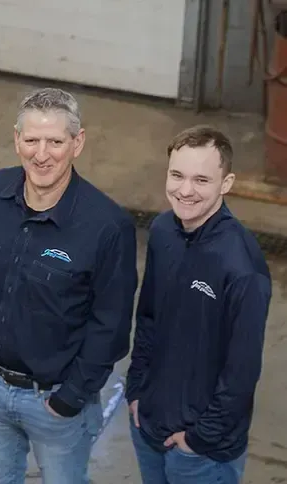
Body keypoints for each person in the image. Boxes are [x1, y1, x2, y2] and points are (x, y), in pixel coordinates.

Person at [0, 87, 139, 483]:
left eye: (55, 141)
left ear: (77, 143)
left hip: (54, 402)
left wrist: (70, 397)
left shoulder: (106, 226)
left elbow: (111, 326)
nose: (42, 154)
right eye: (32, 140)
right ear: (16, 140)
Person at [125, 125, 271, 484]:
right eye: (177, 175)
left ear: (227, 183)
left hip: (202, 455)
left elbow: (241, 372)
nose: (185, 191)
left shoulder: (242, 266)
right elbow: (148, 318)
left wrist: (198, 439)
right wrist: (136, 391)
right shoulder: (162, 232)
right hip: (149, 426)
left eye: (202, 180)